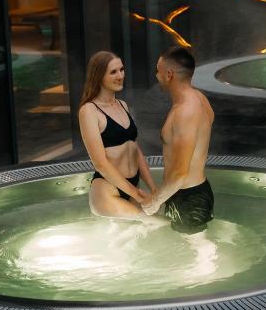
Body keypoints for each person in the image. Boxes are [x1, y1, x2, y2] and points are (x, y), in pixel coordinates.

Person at [142, 46, 215, 233]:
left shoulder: (185, 112)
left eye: (157, 71)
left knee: (200, 254)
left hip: (188, 198)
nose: (156, 76)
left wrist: (155, 202)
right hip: (190, 193)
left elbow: (181, 172)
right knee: (193, 250)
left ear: (169, 74)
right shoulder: (200, 99)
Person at [78, 51, 156, 219]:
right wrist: (137, 194)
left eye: (121, 70)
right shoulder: (89, 111)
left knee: (149, 231)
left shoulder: (123, 105)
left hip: (133, 186)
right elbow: (100, 163)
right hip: (108, 190)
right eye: (113, 72)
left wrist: (153, 188)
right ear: (98, 75)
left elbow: (135, 150)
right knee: (154, 224)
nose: (120, 75)